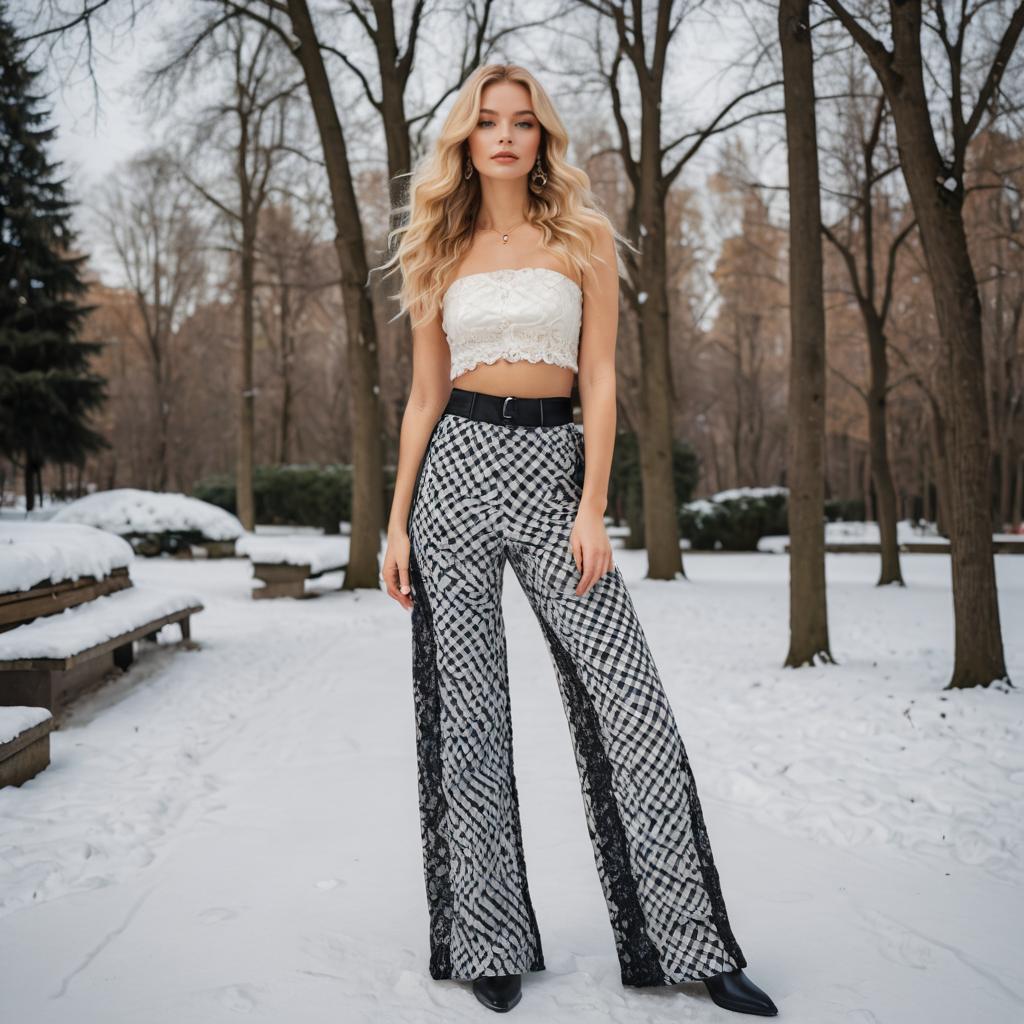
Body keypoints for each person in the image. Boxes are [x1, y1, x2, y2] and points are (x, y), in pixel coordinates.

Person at [377, 63, 778, 1017]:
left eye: (522, 121)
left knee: (631, 707)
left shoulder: (584, 237)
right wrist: (396, 523)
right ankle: (487, 939)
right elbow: (425, 394)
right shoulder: (437, 243)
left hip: (556, 476)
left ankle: (693, 944)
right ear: (466, 141)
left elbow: (598, 380)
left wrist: (592, 504)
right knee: (466, 721)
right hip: (456, 477)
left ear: (542, 135)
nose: (506, 135)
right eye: (488, 122)